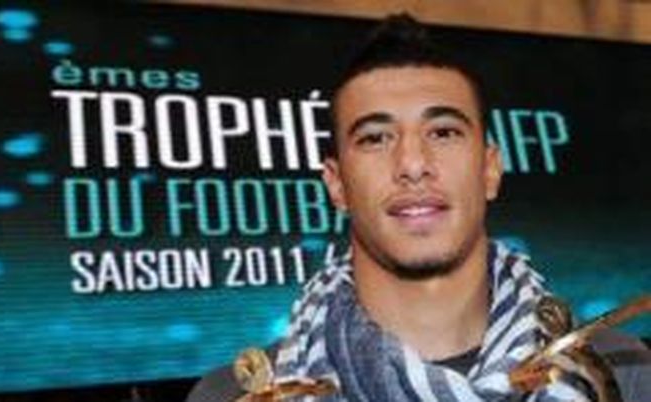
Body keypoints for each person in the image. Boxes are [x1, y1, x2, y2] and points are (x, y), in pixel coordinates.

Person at [188, 14, 650, 402]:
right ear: (337, 184)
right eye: (375, 138)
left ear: (490, 169)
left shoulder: (622, 374)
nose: (412, 164)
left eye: (443, 132)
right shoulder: (231, 396)